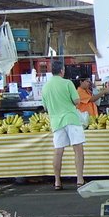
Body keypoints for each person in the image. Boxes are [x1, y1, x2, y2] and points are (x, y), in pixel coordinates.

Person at [42, 60, 84, 190]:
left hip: (56, 122)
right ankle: (80, 179)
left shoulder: (45, 87)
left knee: (58, 151)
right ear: (62, 71)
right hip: (71, 118)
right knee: (78, 149)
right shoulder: (67, 83)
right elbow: (77, 100)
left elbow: (45, 107)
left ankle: (57, 181)